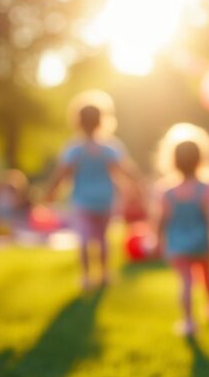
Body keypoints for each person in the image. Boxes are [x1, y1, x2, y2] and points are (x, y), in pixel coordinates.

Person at [45, 90, 141, 290]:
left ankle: (87, 277)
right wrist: (137, 186)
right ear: (102, 120)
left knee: (85, 239)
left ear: (77, 121)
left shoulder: (74, 148)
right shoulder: (109, 147)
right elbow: (126, 170)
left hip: (82, 200)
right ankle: (104, 274)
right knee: (103, 238)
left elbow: (62, 174)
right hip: (105, 198)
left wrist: (50, 193)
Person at [155, 123, 209, 335]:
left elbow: (162, 220)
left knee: (185, 283)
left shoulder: (168, 192)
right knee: (208, 277)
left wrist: (157, 240)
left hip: (178, 244)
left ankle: (188, 322)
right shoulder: (205, 189)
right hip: (201, 242)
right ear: (200, 159)